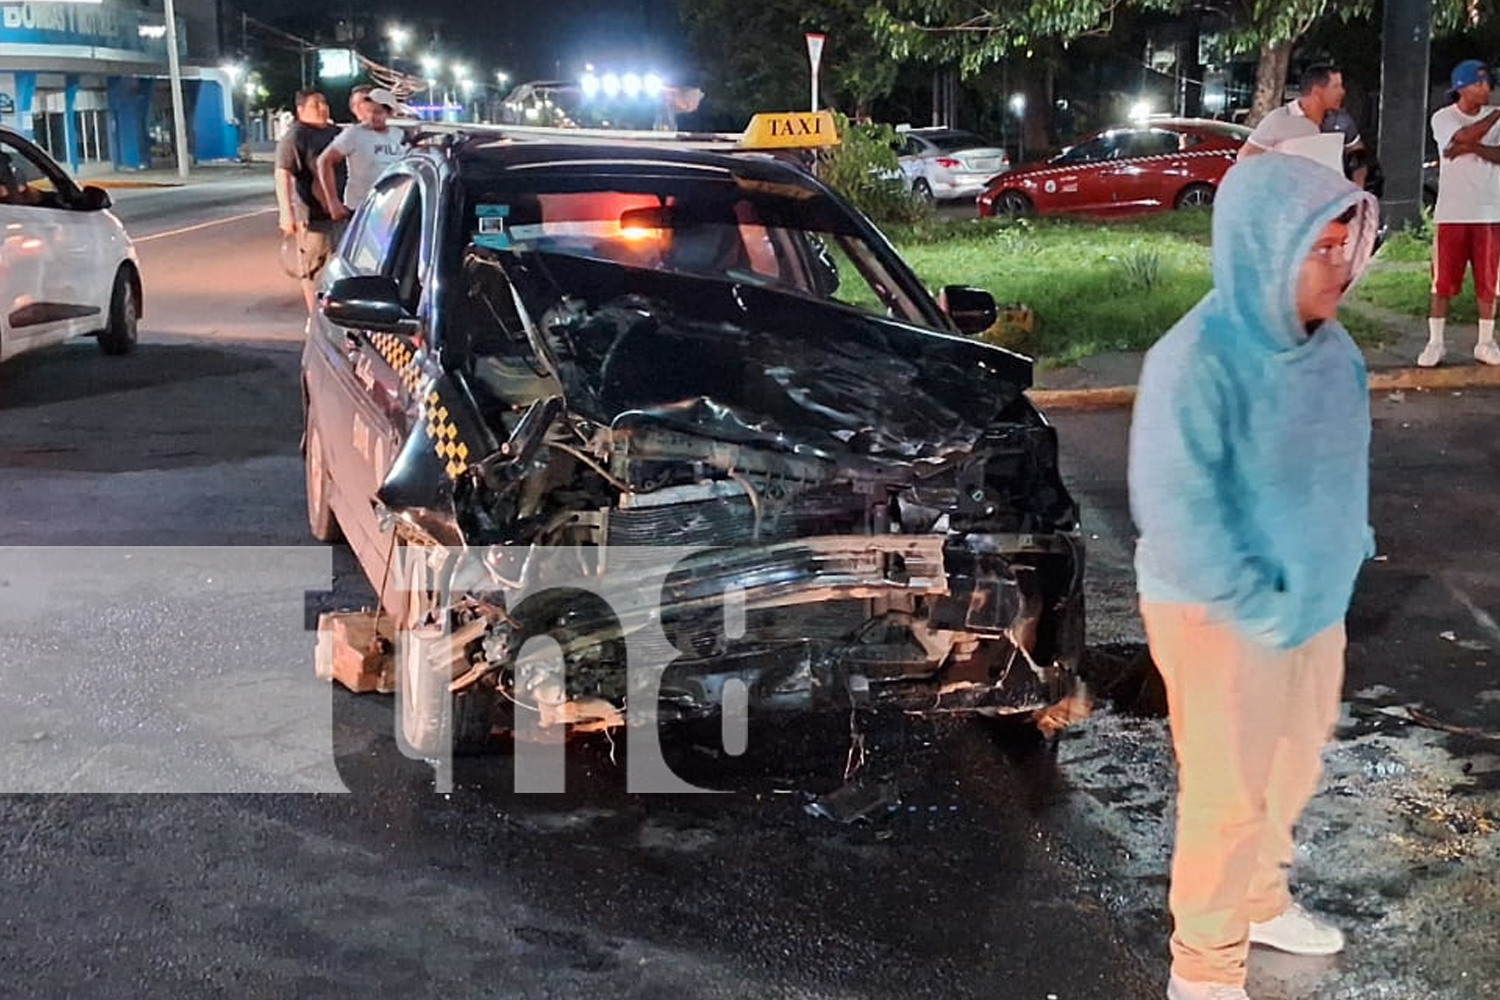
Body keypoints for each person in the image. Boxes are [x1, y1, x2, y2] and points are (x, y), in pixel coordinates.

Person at [1128, 152, 1379, 1000]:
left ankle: (1260, 903)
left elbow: (1341, 469)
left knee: (1288, 766)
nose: (1340, 266)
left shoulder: (1333, 351)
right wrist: (1254, 606)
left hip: (1311, 604)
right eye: (1321, 247)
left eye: (1347, 244)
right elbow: (1178, 511)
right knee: (1227, 794)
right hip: (1216, 610)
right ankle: (1202, 971)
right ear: (1266, 247)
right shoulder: (1193, 360)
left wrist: (1342, 557)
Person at [1418, 59, 1500, 368]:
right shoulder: (1443, 117)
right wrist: (1491, 121)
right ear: (1461, 88)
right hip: (1452, 212)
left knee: (1489, 281)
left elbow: (1491, 152)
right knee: (1442, 282)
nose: (1486, 88)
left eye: (1486, 82)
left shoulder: (1494, 118)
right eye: (1478, 83)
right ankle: (1435, 342)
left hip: (1490, 210)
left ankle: (1485, 341)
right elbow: (1458, 139)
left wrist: (1472, 148)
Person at [275, 88, 344, 315]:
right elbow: (282, 174)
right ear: (301, 109)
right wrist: (286, 214)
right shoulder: (296, 136)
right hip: (314, 218)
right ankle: (316, 318)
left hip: (345, 212)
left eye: (324, 103)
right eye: (316, 105)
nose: (322, 108)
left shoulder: (337, 133)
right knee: (315, 270)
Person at [317, 86, 407, 222]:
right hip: (361, 208)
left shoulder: (399, 134)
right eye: (368, 111)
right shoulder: (354, 134)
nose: (372, 117)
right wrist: (333, 202)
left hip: (392, 208)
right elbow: (324, 161)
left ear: (390, 113)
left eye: (377, 112)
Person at [1237, 64, 1346, 160]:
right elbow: (1244, 157)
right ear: (1317, 91)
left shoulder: (1341, 122)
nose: (1342, 92)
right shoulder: (1280, 120)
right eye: (1336, 87)